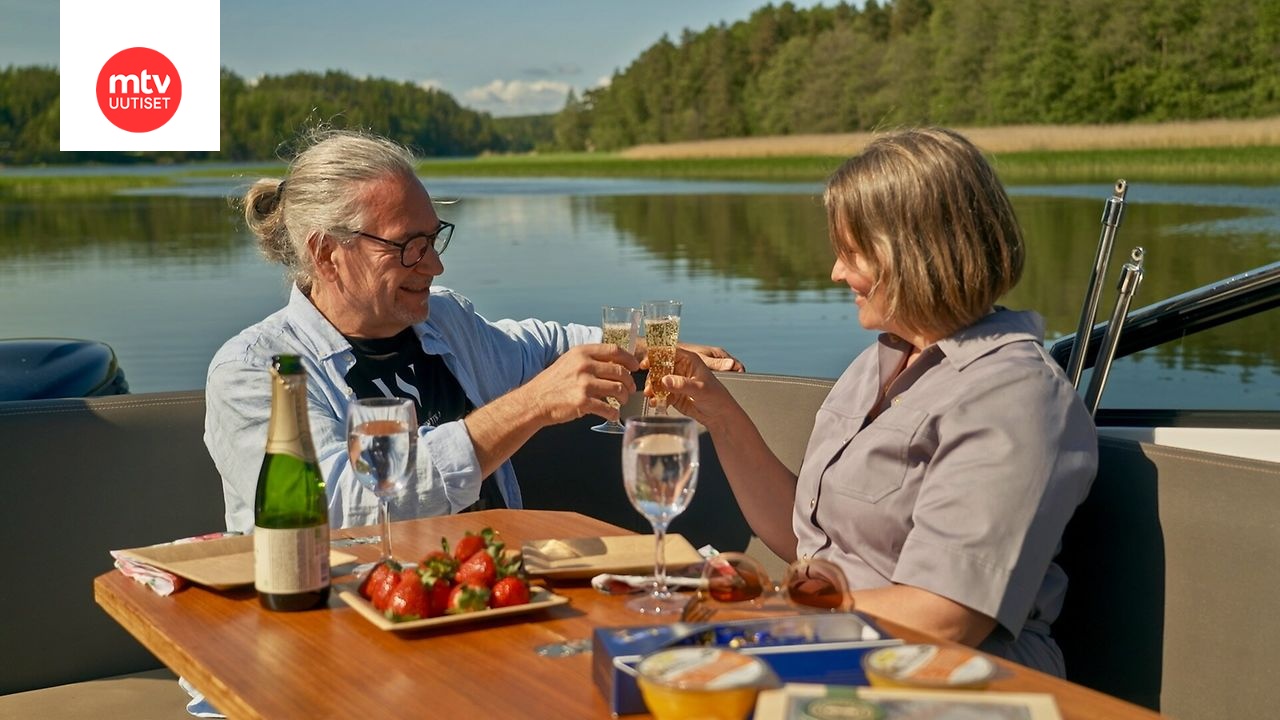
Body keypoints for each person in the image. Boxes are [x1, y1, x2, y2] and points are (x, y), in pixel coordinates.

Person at [656, 127, 1097, 676]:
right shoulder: (880, 360)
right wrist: (719, 414)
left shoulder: (1016, 398)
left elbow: (944, 618)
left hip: (946, 682)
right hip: (830, 646)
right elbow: (806, 545)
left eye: (852, 253)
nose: (836, 272)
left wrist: (768, 608)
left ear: (916, 254)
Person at [205, 127, 741, 536]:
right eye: (408, 246)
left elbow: (544, 345)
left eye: (434, 239)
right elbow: (337, 514)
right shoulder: (257, 371)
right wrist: (527, 408)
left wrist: (649, 349)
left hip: (484, 609)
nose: (434, 266)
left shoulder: (445, 323)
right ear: (327, 253)